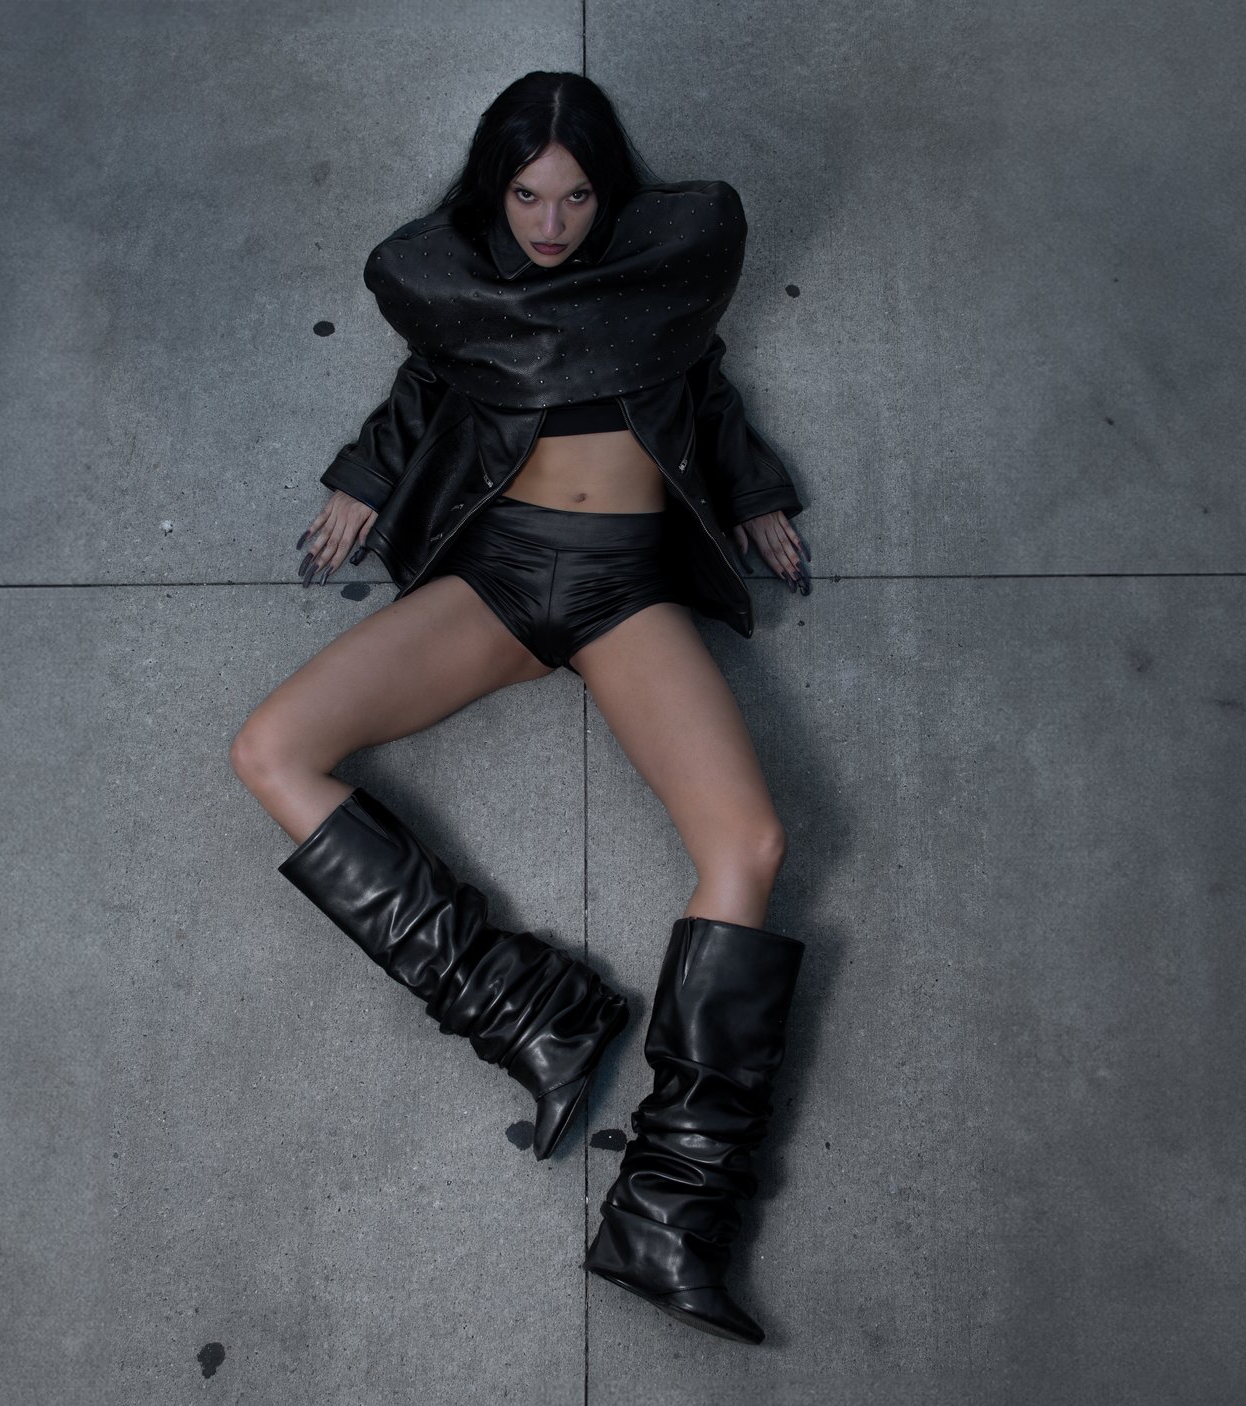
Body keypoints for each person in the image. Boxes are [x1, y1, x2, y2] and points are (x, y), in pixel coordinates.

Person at [227, 70, 813, 1346]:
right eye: (529, 196)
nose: (551, 224)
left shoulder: (654, 286)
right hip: (498, 579)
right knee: (271, 748)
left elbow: (702, 399)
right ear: (496, 191)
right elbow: (424, 397)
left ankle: (666, 1215)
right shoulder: (463, 292)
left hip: (620, 593)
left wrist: (756, 491)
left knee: (750, 845)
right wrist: (361, 480)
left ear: (612, 190)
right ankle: (530, 1010)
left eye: (577, 196)